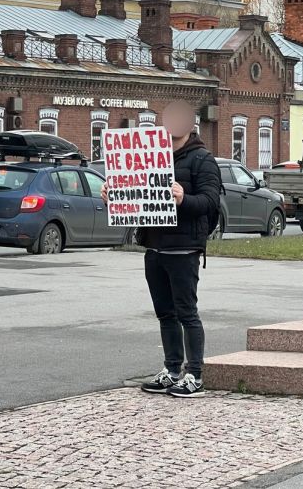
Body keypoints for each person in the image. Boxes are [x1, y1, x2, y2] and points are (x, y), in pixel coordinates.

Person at [101, 100, 221, 398]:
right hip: (154, 246)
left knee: (186, 313)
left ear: (190, 124)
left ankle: (194, 374)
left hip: (184, 248)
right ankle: (171, 369)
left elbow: (210, 203)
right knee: (165, 313)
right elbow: (136, 197)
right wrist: (112, 196)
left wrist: (184, 199)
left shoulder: (202, 159)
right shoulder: (149, 157)